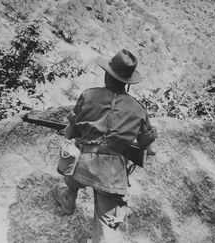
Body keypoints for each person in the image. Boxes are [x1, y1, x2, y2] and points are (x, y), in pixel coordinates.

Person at [54, 49, 157, 242]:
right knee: (106, 227)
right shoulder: (139, 109)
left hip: (81, 167)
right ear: (128, 83)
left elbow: (69, 133)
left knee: (71, 164)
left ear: (106, 74)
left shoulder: (88, 95)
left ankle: (69, 196)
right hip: (111, 177)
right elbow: (150, 149)